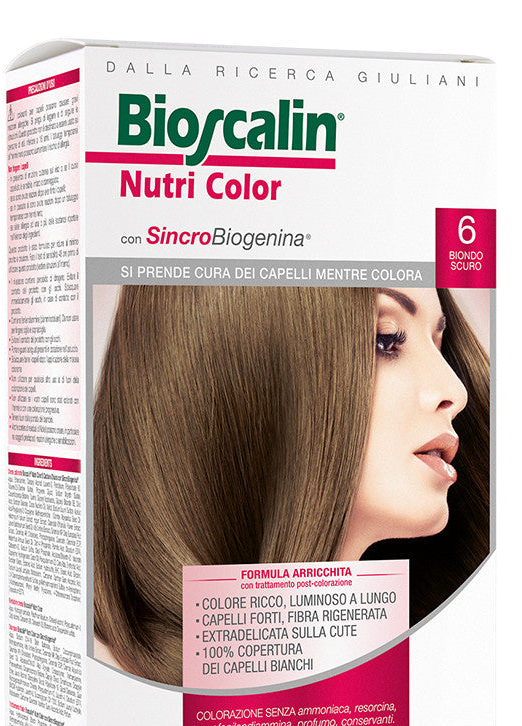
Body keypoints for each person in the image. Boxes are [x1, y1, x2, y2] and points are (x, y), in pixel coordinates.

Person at [93, 286, 489, 685]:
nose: (455, 392)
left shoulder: (446, 671)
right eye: (385, 340)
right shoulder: (119, 685)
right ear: (247, 363)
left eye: (438, 343)